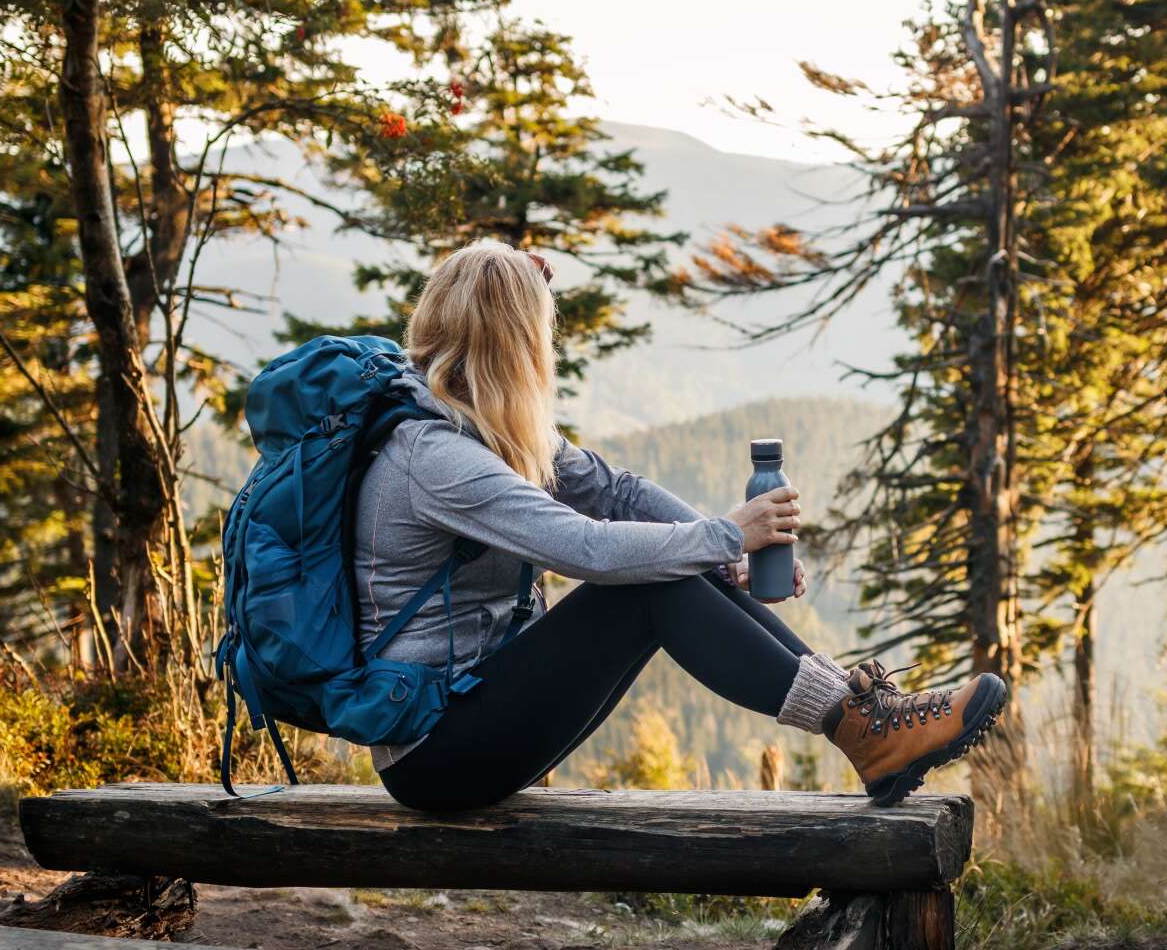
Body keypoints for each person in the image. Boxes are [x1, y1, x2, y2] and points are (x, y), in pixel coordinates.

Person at [354, 240, 1007, 810]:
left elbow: (618, 492)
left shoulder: (489, 428)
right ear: (515, 343)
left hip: (481, 711)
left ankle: (865, 717)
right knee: (649, 584)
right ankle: (860, 728)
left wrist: (725, 558)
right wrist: (727, 536)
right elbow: (587, 549)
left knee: (677, 563)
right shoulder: (435, 458)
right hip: (436, 752)